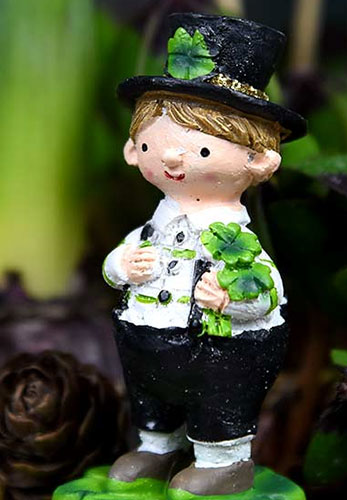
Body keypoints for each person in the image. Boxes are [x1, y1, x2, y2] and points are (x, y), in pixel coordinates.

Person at [101, 12, 307, 496]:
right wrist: (120, 265)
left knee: (219, 403)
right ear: (133, 150)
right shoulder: (151, 229)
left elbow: (268, 293)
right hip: (147, 337)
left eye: (203, 151)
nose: (173, 158)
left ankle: (223, 462)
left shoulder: (236, 240)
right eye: (153, 144)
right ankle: (158, 447)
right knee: (151, 396)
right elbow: (114, 265)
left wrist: (231, 300)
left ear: (260, 161)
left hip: (221, 350)